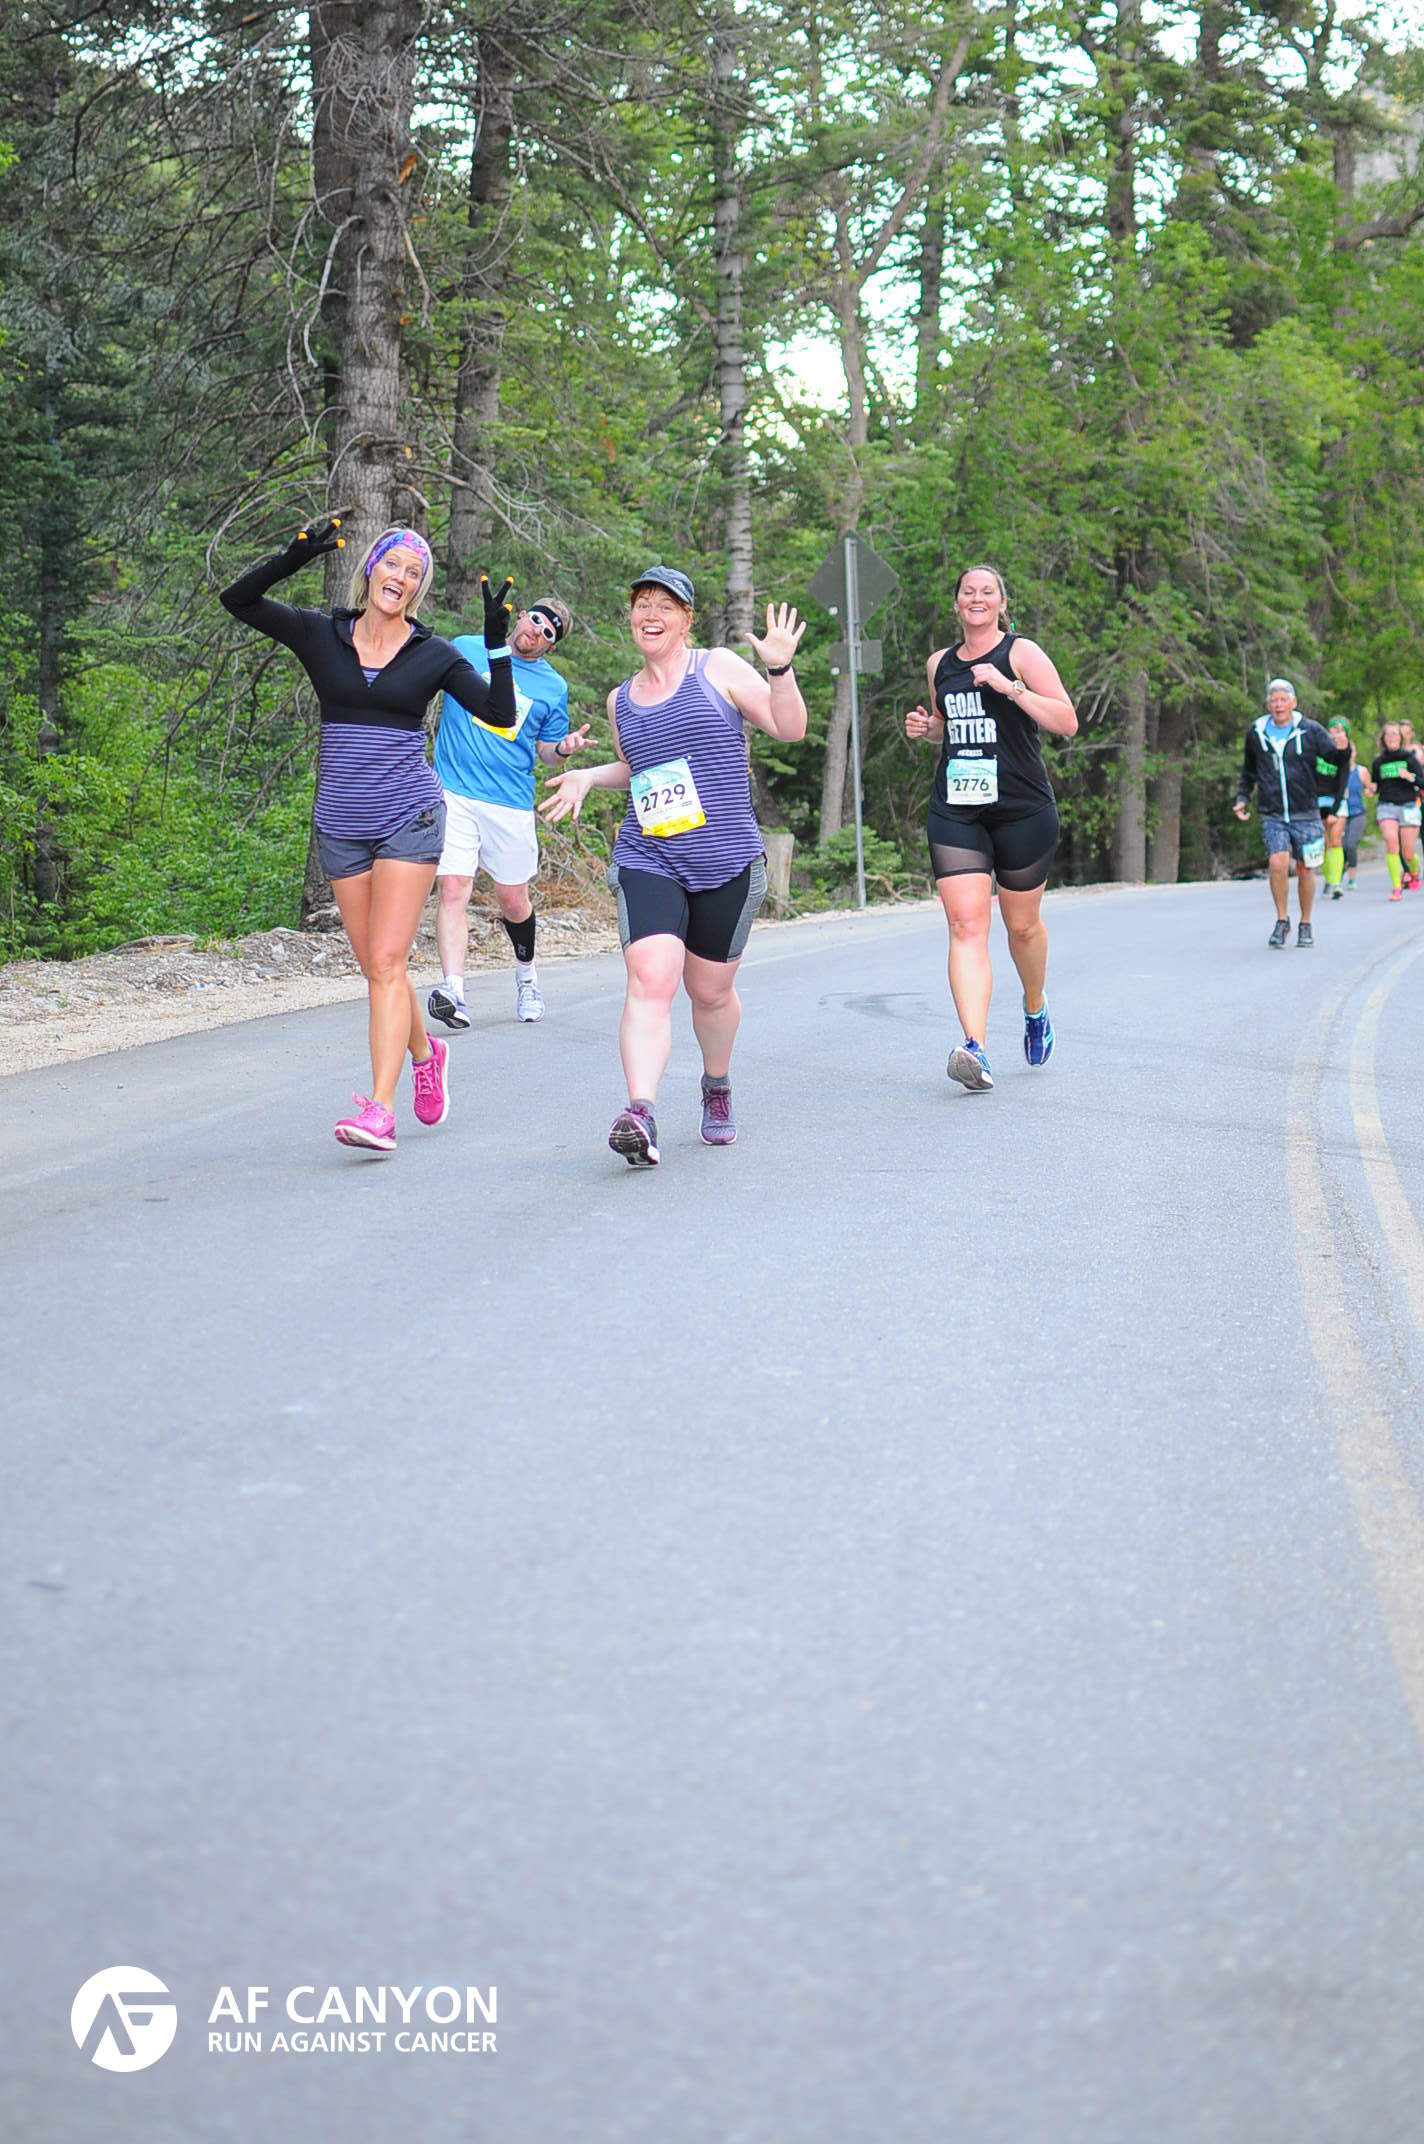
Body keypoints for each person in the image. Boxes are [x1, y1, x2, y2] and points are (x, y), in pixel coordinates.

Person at [220, 513, 515, 1151]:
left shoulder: (433, 654)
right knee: (378, 966)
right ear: (371, 569)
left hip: (409, 819)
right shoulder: (321, 634)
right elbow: (237, 600)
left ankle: (381, 1109)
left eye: (414, 572)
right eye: (393, 564)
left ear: (418, 588)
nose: (401, 577)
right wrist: (293, 557)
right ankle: (427, 1053)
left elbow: (500, 713)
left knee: (385, 962)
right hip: (342, 827)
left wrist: (496, 646)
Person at [539, 566, 806, 1166]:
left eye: (666, 605)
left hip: (726, 860)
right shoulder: (622, 700)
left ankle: (716, 1084)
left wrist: (780, 669)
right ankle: (640, 1111)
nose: (651, 615)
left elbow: (789, 728)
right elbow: (639, 769)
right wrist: (588, 776)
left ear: (686, 619)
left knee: (709, 993)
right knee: (650, 978)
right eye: (642, 604)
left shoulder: (717, 669)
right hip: (650, 854)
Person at [903, 564, 1077, 1092]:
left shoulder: (1021, 653)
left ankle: (1035, 1007)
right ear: (956, 603)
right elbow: (948, 726)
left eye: (987, 592)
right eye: (967, 592)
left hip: (1022, 808)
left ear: (1002, 603)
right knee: (965, 925)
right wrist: (928, 729)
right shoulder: (940, 664)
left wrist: (1011, 687)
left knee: (1021, 927)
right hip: (958, 809)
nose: (976, 599)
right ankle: (974, 1047)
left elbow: (1066, 720)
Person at [427, 595, 590, 1031]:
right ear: (521, 617)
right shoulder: (467, 647)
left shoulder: (553, 687)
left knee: (513, 901)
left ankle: (527, 977)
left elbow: (547, 753)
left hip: (509, 802)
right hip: (454, 791)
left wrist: (564, 749)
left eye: (548, 632)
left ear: (551, 646)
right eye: (536, 620)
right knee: (453, 888)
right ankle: (454, 991)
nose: (537, 631)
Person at [1233, 678, 1347, 948]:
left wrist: (1344, 749)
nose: (1279, 705)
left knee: (1305, 868)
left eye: (1284, 699)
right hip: (1272, 811)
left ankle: (1306, 922)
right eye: (1274, 700)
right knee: (1277, 862)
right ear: (1268, 704)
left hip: (1306, 810)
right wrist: (1242, 797)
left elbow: (1334, 761)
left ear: (1294, 703)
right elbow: (1249, 771)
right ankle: (1282, 920)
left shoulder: (1310, 730)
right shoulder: (1257, 732)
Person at [1364, 721, 1423, 900]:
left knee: (1408, 853)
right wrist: (1371, 788)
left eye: (1395, 734)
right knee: (1391, 844)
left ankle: (1414, 871)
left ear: (1401, 737)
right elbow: (1377, 784)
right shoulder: (1378, 761)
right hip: (1386, 806)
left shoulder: (1410, 758)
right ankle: (1396, 887)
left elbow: (1421, 781)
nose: (1391, 737)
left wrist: (1409, 776)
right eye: (1387, 734)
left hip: (1408, 806)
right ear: (1383, 739)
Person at [1319, 717, 1358, 899]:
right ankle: (1328, 879)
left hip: (1337, 800)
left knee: (1335, 839)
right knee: (1323, 844)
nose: (1337, 733)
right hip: (1318, 801)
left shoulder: (1345, 754)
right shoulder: (1319, 747)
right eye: (1334, 729)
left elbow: (1342, 783)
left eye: (1341, 730)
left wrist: (1334, 811)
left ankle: (1336, 883)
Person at [1327, 719, 1367, 893]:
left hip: (1355, 812)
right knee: (1332, 844)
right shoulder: (1329, 758)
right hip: (1330, 805)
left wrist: (1371, 789)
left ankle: (1349, 878)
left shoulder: (1361, 771)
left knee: (1349, 844)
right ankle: (1333, 877)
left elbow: (1371, 786)